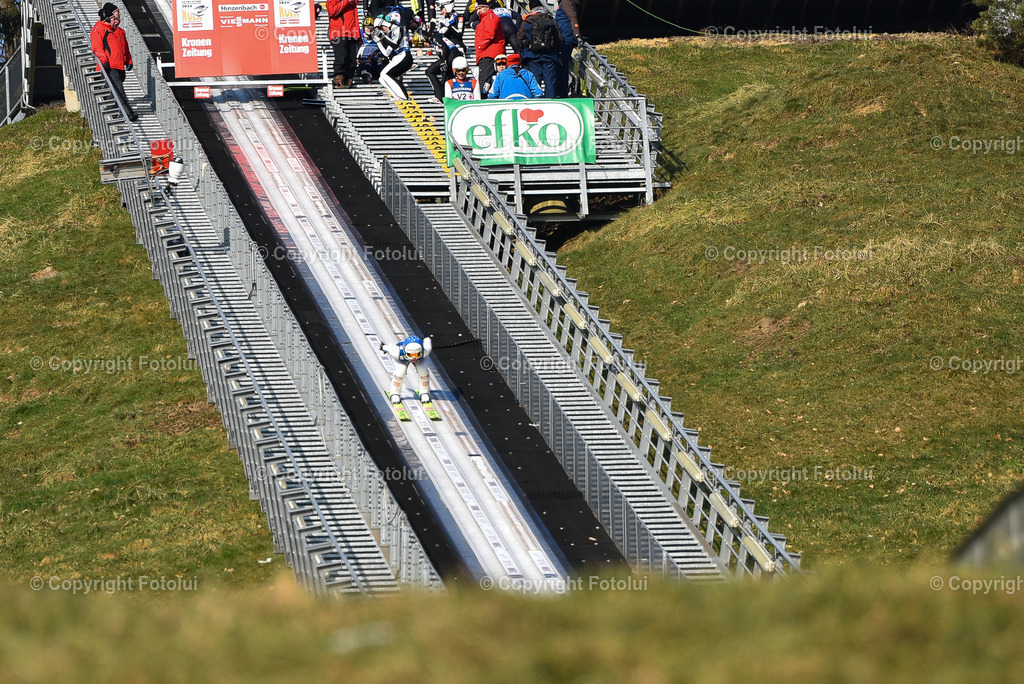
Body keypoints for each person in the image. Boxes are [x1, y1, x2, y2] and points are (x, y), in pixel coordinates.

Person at [90, 3, 137, 122]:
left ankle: (111, 116)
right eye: (114, 15)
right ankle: (128, 113)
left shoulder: (118, 31)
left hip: (119, 65)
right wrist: (104, 60)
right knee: (118, 89)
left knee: (113, 91)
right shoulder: (100, 29)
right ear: (107, 18)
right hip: (110, 66)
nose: (118, 15)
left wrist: (128, 60)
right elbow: (96, 47)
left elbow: (124, 48)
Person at [424, 0, 465, 103]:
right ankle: (445, 97)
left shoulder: (459, 17)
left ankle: (440, 96)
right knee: (446, 76)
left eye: (442, 8)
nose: (441, 11)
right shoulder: (442, 21)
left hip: (456, 49)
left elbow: (459, 34)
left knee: (434, 71)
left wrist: (449, 27)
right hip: (447, 52)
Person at [518, 0, 560, 98]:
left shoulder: (528, 21)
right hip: (549, 55)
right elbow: (559, 38)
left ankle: (535, 101)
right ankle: (550, 101)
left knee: (535, 81)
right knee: (550, 82)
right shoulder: (551, 21)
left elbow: (519, 38)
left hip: (532, 55)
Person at [370, 10, 413, 100]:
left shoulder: (398, 28)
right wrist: (378, 42)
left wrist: (382, 36)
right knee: (382, 77)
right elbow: (386, 53)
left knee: (385, 74)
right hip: (398, 57)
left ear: (385, 23)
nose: (382, 30)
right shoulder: (390, 33)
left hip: (404, 55)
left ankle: (403, 96)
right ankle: (396, 96)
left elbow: (395, 44)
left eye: (381, 28)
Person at [381, 335, 433, 405]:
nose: (413, 358)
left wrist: (427, 338)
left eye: (416, 354)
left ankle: (424, 392)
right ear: (405, 351)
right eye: (410, 355)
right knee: (400, 371)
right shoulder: (397, 352)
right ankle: (395, 393)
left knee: (423, 370)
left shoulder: (426, 350)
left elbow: (427, 340)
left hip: (420, 359)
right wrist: (384, 347)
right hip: (402, 359)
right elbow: (389, 347)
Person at [325, 0, 362, 88]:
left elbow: (355, 21)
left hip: (351, 34)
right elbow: (332, 11)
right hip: (338, 32)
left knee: (352, 60)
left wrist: (358, 37)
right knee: (341, 57)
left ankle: (348, 79)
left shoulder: (353, 3)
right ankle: (339, 79)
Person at [473, 0, 505, 97]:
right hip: (487, 53)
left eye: (480, 8)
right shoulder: (485, 19)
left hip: (489, 54)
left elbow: (490, 34)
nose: (478, 11)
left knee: (484, 81)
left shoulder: (490, 17)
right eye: (477, 9)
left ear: (486, 7)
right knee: (487, 80)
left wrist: (480, 46)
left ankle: (483, 99)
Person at [554, 0, 582, 97]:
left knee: (562, 65)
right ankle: (561, 91)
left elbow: (572, 17)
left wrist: (577, 33)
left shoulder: (566, 2)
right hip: (566, 36)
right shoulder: (569, 2)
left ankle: (560, 92)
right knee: (563, 65)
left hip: (565, 37)